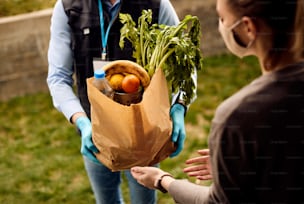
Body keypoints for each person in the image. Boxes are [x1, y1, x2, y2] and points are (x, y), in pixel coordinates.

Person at [130, 0, 304, 203]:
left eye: (222, 18)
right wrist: (240, 165)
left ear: (248, 28)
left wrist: (163, 180)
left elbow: (217, 201)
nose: (220, 26)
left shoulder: (238, 117)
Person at [47, 0, 195, 203]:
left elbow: (186, 65)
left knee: (144, 198)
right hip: (95, 131)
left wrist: (179, 107)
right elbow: (58, 78)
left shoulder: (156, 4)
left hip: (144, 130)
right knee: (106, 199)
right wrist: (81, 121)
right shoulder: (68, 7)